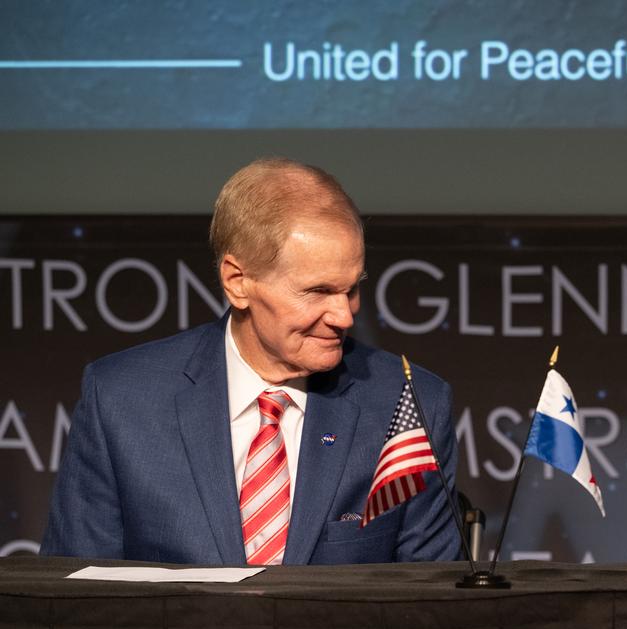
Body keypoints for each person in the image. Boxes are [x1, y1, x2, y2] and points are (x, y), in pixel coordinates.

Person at [42, 158, 462, 565]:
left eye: (352, 288)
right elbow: (73, 599)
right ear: (237, 282)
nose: (344, 316)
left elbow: (427, 608)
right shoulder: (120, 399)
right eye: (317, 291)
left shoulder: (409, 404)